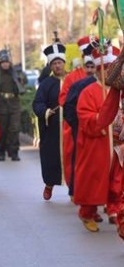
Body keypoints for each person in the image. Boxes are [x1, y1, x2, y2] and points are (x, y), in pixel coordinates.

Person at [74, 45, 121, 232]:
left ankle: (114, 210)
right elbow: (84, 115)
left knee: (116, 180)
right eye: (106, 69)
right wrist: (101, 121)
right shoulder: (89, 91)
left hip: (117, 143)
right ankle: (87, 212)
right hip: (97, 143)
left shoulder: (118, 90)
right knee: (93, 179)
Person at [59, 36, 98, 200]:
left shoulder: (103, 76)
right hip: (77, 125)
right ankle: (75, 190)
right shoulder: (72, 78)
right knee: (77, 158)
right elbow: (64, 101)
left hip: (99, 126)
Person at [33, 42, 67, 200]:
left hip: (70, 128)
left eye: (59, 62)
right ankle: (49, 185)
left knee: (73, 159)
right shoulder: (46, 84)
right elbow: (37, 103)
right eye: (54, 63)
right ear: (50, 66)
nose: (57, 66)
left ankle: (74, 190)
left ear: (64, 63)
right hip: (52, 129)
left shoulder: (73, 81)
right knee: (51, 159)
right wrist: (46, 111)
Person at [0, 49, 24, 161]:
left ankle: (14, 151)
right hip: (1, 103)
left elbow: (22, 83)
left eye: (7, 62)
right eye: (3, 62)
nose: (5, 64)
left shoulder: (15, 72)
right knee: (2, 129)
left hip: (14, 103)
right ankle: (1, 151)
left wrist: (20, 76)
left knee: (14, 128)